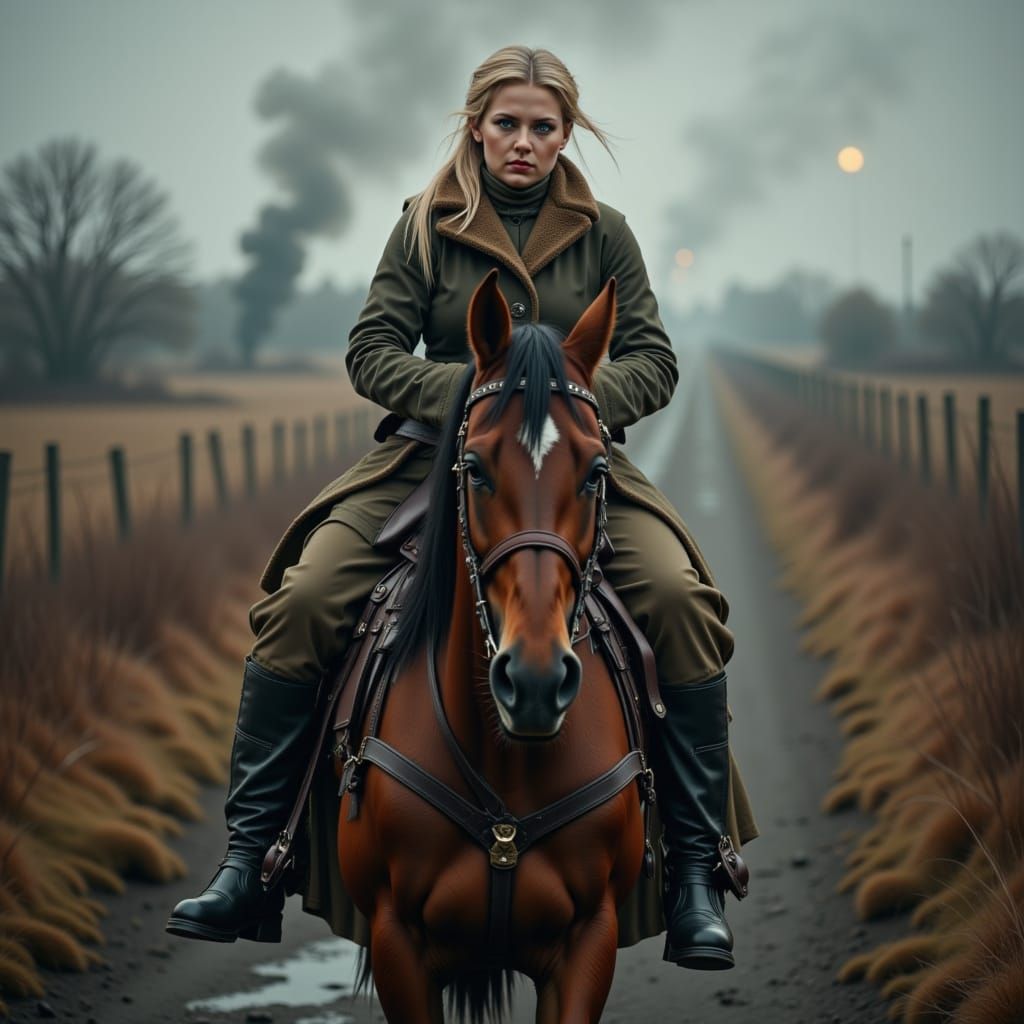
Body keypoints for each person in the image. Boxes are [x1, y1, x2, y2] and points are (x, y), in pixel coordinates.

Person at [167, 44, 759, 969]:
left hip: (567, 464)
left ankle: (693, 874)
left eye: (544, 126)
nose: (524, 143)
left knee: (682, 604)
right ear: (476, 126)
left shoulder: (608, 231)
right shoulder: (423, 226)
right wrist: (481, 398)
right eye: (507, 124)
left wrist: (570, 402)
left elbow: (655, 356)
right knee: (306, 601)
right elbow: (371, 351)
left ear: (568, 134)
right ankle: (253, 861)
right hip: (430, 460)